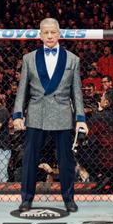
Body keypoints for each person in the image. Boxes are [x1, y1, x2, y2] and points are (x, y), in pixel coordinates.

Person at [12, 18, 87, 213]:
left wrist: (80, 119)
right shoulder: (29, 58)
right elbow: (22, 90)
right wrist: (17, 115)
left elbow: (76, 93)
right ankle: (26, 199)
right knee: (29, 159)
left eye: (53, 32)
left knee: (66, 161)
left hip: (63, 116)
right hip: (36, 114)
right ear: (40, 35)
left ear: (59, 34)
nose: (50, 36)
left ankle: (68, 198)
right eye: (46, 32)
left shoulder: (72, 59)